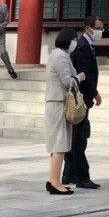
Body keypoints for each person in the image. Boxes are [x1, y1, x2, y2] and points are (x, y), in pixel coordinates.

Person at [65, 15, 103, 189]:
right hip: (82, 97)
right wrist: (94, 93)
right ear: (88, 28)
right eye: (98, 27)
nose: (100, 31)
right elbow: (84, 74)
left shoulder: (87, 45)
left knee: (77, 136)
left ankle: (69, 173)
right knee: (80, 138)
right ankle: (81, 176)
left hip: (83, 96)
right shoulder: (82, 47)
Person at [44, 27, 84, 195]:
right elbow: (67, 81)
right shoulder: (60, 57)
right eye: (74, 39)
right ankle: (54, 181)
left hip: (56, 102)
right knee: (59, 143)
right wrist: (79, 77)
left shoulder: (57, 55)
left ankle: (53, 179)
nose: (75, 42)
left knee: (57, 144)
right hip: (58, 102)